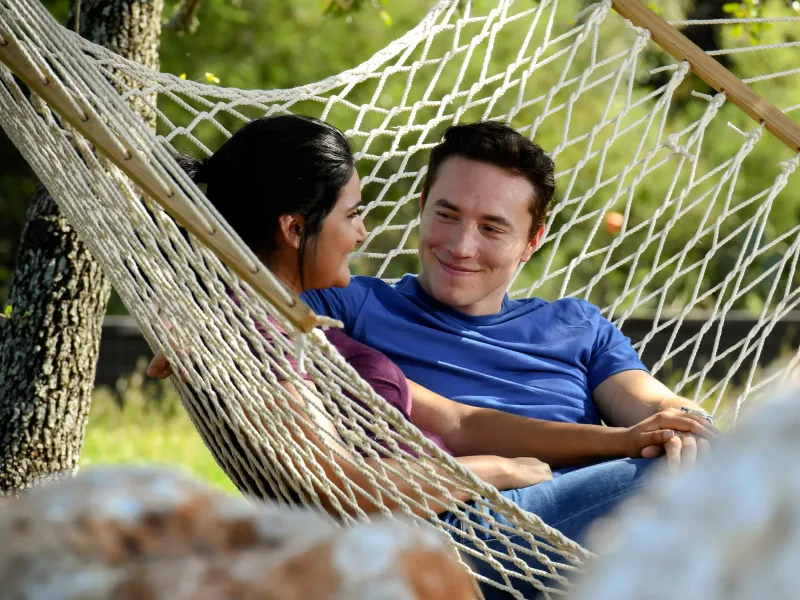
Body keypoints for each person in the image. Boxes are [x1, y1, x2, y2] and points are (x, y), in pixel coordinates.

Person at [147, 115, 716, 599]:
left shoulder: (579, 325)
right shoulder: (342, 305)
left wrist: (682, 424)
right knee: (683, 484)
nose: (462, 246)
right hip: (465, 536)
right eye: (447, 214)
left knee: (694, 470)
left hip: (576, 528)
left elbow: (646, 403)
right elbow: (250, 286)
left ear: (533, 239)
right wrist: (197, 325)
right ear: (422, 207)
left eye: (492, 227)